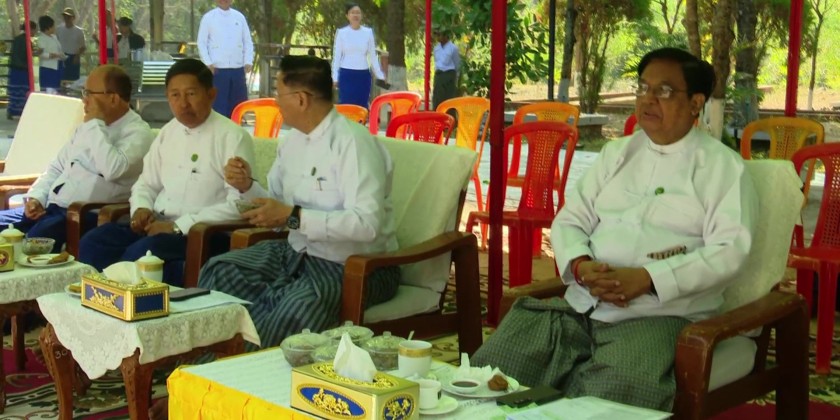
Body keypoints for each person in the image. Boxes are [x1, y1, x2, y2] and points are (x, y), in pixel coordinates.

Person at [471, 48, 759, 411]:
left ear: (696, 103)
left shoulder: (723, 168)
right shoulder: (616, 154)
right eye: (643, 88)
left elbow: (729, 251)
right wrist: (581, 266)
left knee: (604, 402)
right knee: (491, 374)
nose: (648, 99)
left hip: (657, 317)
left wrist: (649, 279)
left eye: (664, 91)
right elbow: (571, 219)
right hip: (582, 305)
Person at [199, 55, 400, 348]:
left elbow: (366, 224)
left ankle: (243, 366)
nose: (275, 102)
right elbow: (276, 206)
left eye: (279, 94)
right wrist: (246, 186)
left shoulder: (352, 143)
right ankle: (213, 358)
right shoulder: (292, 141)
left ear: (301, 99)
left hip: (355, 266)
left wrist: (293, 217)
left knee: (297, 306)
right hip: (296, 254)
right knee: (220, 271)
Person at [78, 58, 255, 286]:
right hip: (157, 226)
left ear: (211, 94)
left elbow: (239, 205)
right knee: (94, 241)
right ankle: (94, 301)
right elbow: (146, 183)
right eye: (175, 95)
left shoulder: (233, 137)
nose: (183, 104)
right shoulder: (168, 133)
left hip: (202, 233)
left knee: (140, 253)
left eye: (191, 94)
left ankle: (116, 301)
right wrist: (141, 208)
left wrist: (177, 227)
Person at [0, 65, 154, 252]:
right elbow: (57, 167)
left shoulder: (138, 133)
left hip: (82, 215)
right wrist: (37, 197)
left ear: (113, 98)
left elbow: (112, 169)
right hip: (51, 208)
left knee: (27, 246)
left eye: (89, 93)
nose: (84, 100)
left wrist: (95, 124)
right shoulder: (87, 127)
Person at [196, 0, 254, 118]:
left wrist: (248, 60)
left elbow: (247, 41)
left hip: (237, 69)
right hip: (217, 70)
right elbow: (201, 42)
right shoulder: (208, 18)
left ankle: (236, 127)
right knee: (218, 106)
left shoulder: (239, 17)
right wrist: (208, 63)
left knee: (238, 106)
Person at [331, 3, 388, 109]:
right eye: (352, 13)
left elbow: (373, 56)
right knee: (346, 107)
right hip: (346, 75)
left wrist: (380, 75)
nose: (355, 15)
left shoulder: (368, 32)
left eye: (358, 13)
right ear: (347, 16)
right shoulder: (341, 33)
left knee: (361, 107)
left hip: (363, 75)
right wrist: (334, 77)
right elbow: (337, 57)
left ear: (361, 16)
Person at [7, 22, 39, 120]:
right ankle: (21, 111)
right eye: (34, 30)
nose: (35, 32)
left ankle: (12, 110)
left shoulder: (17, 39)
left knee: (15, 91)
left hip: (14, 68)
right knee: (23, 91)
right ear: (31, 29)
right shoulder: (27, 41)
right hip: (23, 69)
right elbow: (27, 55)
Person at [432, 29, 460, 111]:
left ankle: (450, 117)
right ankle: (437, 116)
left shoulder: (453, 48)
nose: (438, 38)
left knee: (449, 99)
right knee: (437, 99)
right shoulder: (436, 49)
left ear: (445, 36)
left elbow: (457, 63)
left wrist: (456, 77)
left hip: (449, 75)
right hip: (439, 75)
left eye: (439, 35)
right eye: (436, 35)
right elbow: (437, 62)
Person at [55, 7, 86, 82]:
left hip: (73, 58)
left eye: (69, 17)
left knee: (73, 80)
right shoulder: (59, 29)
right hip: (62, 57)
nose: (66, 18)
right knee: (62, 80)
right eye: (65, 16)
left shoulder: (79, 31)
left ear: (73, 18)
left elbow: (83, 47)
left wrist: (77, 56)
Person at [37, 16, 65, 94]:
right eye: (53, 26)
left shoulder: (54, 37)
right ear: (48, 27)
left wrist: (61, 55)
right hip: (48, 67)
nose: (54, 28)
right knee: (48, 89)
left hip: (57, 65)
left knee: (56, 89)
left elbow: (59, 48)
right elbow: (40, 53)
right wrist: (50, 55)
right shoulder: (41, 38)